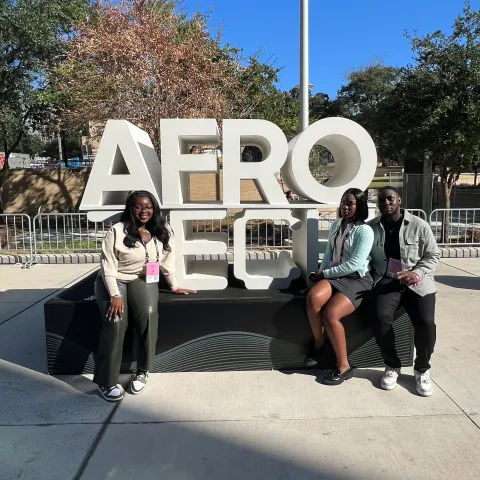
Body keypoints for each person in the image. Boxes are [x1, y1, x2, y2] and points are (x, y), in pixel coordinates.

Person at [94, 190, 196, 402]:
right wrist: (115, 295)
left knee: (149, 313)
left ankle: (143, 370)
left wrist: (174, 285)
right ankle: (107, 380)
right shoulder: (117, 231)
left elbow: (167, 261)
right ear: (131, 209)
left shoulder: (163, 230)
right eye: (138, 206)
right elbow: (108, 267)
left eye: (148, 207)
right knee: (116, 320)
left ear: (154, 209)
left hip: (143, 278)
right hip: (115, 279)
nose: (144, 211)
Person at [369, 186, 439, 397]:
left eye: (390, 199)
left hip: (418, 282)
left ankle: (422, 369)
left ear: (399, 201)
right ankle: (392, 365)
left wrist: (416, 273)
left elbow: (433, 256)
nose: (386, 203)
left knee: (426, 323)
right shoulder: (372, 228)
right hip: (388, 281)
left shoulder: (419, 225)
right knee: (380, 318)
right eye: (382, 201)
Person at [305, 188, 374, 385]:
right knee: (313, 297)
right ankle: (320, 344)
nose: (345, 207)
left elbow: (354, 263)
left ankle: (344, 366)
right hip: (335, 276)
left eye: (350, 204)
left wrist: (325, 273)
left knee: (331, 314)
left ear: (359, 206)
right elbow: (329, 252)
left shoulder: (364, 230)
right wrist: (322, 273)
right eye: (343, 202)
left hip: (357, 279)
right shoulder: (337, 225)